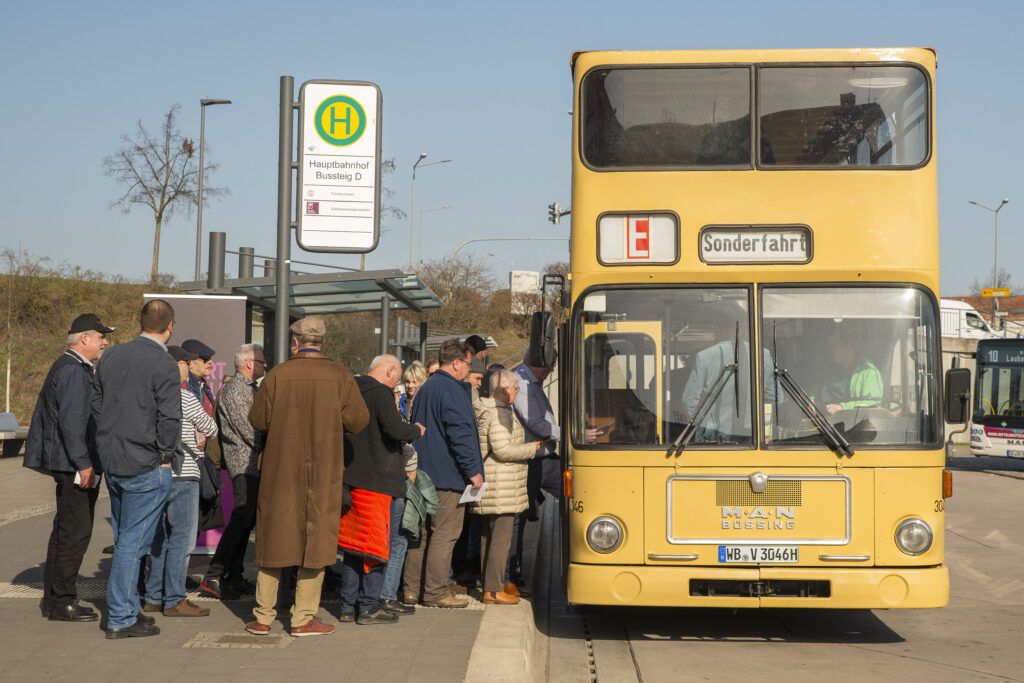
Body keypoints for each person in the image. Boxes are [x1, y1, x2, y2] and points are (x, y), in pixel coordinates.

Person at [245, 317, 369, 637]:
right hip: (324, 473)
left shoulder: (277, 375)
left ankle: (262, 617)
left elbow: (258, 419)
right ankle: (302, 620)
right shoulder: (340, 376)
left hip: (280, 472)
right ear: (322, 342)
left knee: (273, 540)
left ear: (295, 343)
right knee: (316, 543)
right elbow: (358, 421)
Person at [93, 299, 180, 639]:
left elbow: (97, 402)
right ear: (170, 327)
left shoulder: (111, 355)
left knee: (127, 538)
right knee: (132, 543)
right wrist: (164, 454)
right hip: (146, 463)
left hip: (114, 460)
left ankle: (127, 607)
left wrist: (110, 438)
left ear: (140, 321)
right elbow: (169, 417)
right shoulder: (164, 362)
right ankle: (121, 617)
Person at [24, 313, 113, 622]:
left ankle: (55, 598)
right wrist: (84, 463)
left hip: (68, 460)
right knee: (76, 532)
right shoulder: (74, 371)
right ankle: (62, 600)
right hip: (74, 462)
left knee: (65, 530)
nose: (105, 341)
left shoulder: (72, 367)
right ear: (83, 339)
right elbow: (73, 422)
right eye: (101, 336)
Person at [338, 355, 425, 624]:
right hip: (377, 481)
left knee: (352, 546)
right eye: (396, 378)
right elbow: (394, 428)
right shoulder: (380, 393)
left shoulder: (349, 389)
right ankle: (368, 607)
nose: (396, 384)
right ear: (389, 371)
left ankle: (346, 606)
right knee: (376, 546)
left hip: (351, 479)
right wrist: (416, 430)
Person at [401, 340, 483, 609]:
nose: (469, 371)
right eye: (468, 365)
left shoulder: (426, 387)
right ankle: (436, 592)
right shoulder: (454, 390)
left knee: (420, 534)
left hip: (422, 473)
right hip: (447, 476)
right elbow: (460, 434)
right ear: (457, 363)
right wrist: (473, 471)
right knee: (444, 534)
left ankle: (411, 590)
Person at [142, 346, 216, 617]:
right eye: (186, 363)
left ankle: (153, 597)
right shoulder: (184, 396)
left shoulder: (152, 396)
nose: (188, 367)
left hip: (159, 473)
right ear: (177, 366)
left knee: (160, 538)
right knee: (182, 540)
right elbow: (211, 428)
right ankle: (175, 599)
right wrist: (197, 431)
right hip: (185, 473)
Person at [200, 343, 266, 600]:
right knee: (241, 518)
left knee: (247, 521)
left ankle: (234, 575)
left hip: (253, 465)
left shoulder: (250, 389)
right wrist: (273, 445)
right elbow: (249, 431)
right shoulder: (235, 391)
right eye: (261, 361)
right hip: (244, 465)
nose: (264, 365)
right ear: (249, 363)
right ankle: (214, 575)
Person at [472, 369, 542, 605]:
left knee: (488, 538)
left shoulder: (486, 410)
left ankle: (488, 587)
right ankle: (493, 589)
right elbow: (503, 450)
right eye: (515, 388)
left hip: (492, 484)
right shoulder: (499, 413)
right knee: (500, 539)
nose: (516, 392)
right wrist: (531, 449)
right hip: (502, 486)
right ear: (504, 389)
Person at [681, 305, 775, 443]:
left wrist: (705, 425)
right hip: (753, 436)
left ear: (717, 328)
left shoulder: (704, 357)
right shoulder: (764, 355)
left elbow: (688, 401)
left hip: (715, 438)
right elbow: (775, 396)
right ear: (741, 329)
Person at [508, 351, 560, 589]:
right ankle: (510, 573)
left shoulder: (533, 382)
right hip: (532, 460)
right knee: (518, 518)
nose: (551, 370)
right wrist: (569, 434)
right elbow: (536, 423)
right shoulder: (522, 382)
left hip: (544, 458)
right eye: (550, 365)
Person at [822, 328, 883, 415]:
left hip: (860, 425)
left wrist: (842, 407)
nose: (829, 352)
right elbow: (820, 385)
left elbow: (872, 404)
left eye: (833, 348)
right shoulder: (831, 369)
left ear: (848, 347)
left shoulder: (868, 372)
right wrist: (813, 398)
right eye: (828, 349)